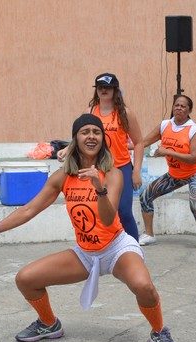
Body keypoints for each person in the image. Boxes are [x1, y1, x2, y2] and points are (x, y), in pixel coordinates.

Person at [0, 114, 179, 342]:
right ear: (75, 139)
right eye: (85, 132)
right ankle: (49, 323)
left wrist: (99, 188)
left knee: (144, 286)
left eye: (96, 132)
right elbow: (30, 209)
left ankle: (159, 331)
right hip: (85, 253)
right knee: (25, 279)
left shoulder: (113, 174)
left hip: (116, 248)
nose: (91, 136)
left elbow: (108, 218)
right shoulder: (63, 177)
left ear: (103, 139)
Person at [58, 73, 143, 240]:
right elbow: (81, 136)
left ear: (115, 90)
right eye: (100, 87)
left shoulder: (125, 113)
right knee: (101, 211)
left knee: (124, 211)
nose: (104, 90)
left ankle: (134, 248)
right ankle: (106, 247)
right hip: (97, 168)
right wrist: (67, 148)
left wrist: (136, 171)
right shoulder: (89, 111)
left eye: (108, 87)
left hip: (121, 167)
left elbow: (139, 142)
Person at [134, 95, 196, 250]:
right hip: (175, 175)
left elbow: (194, 158)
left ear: (189, 110)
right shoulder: (164, 125)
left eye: (183, 106)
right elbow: (143, 142)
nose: (179, 108)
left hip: (195, 174)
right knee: (145, 195)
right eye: (176, 105)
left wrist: (168, 152)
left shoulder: (193, 129)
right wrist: (128, 146)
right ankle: (149, 234)